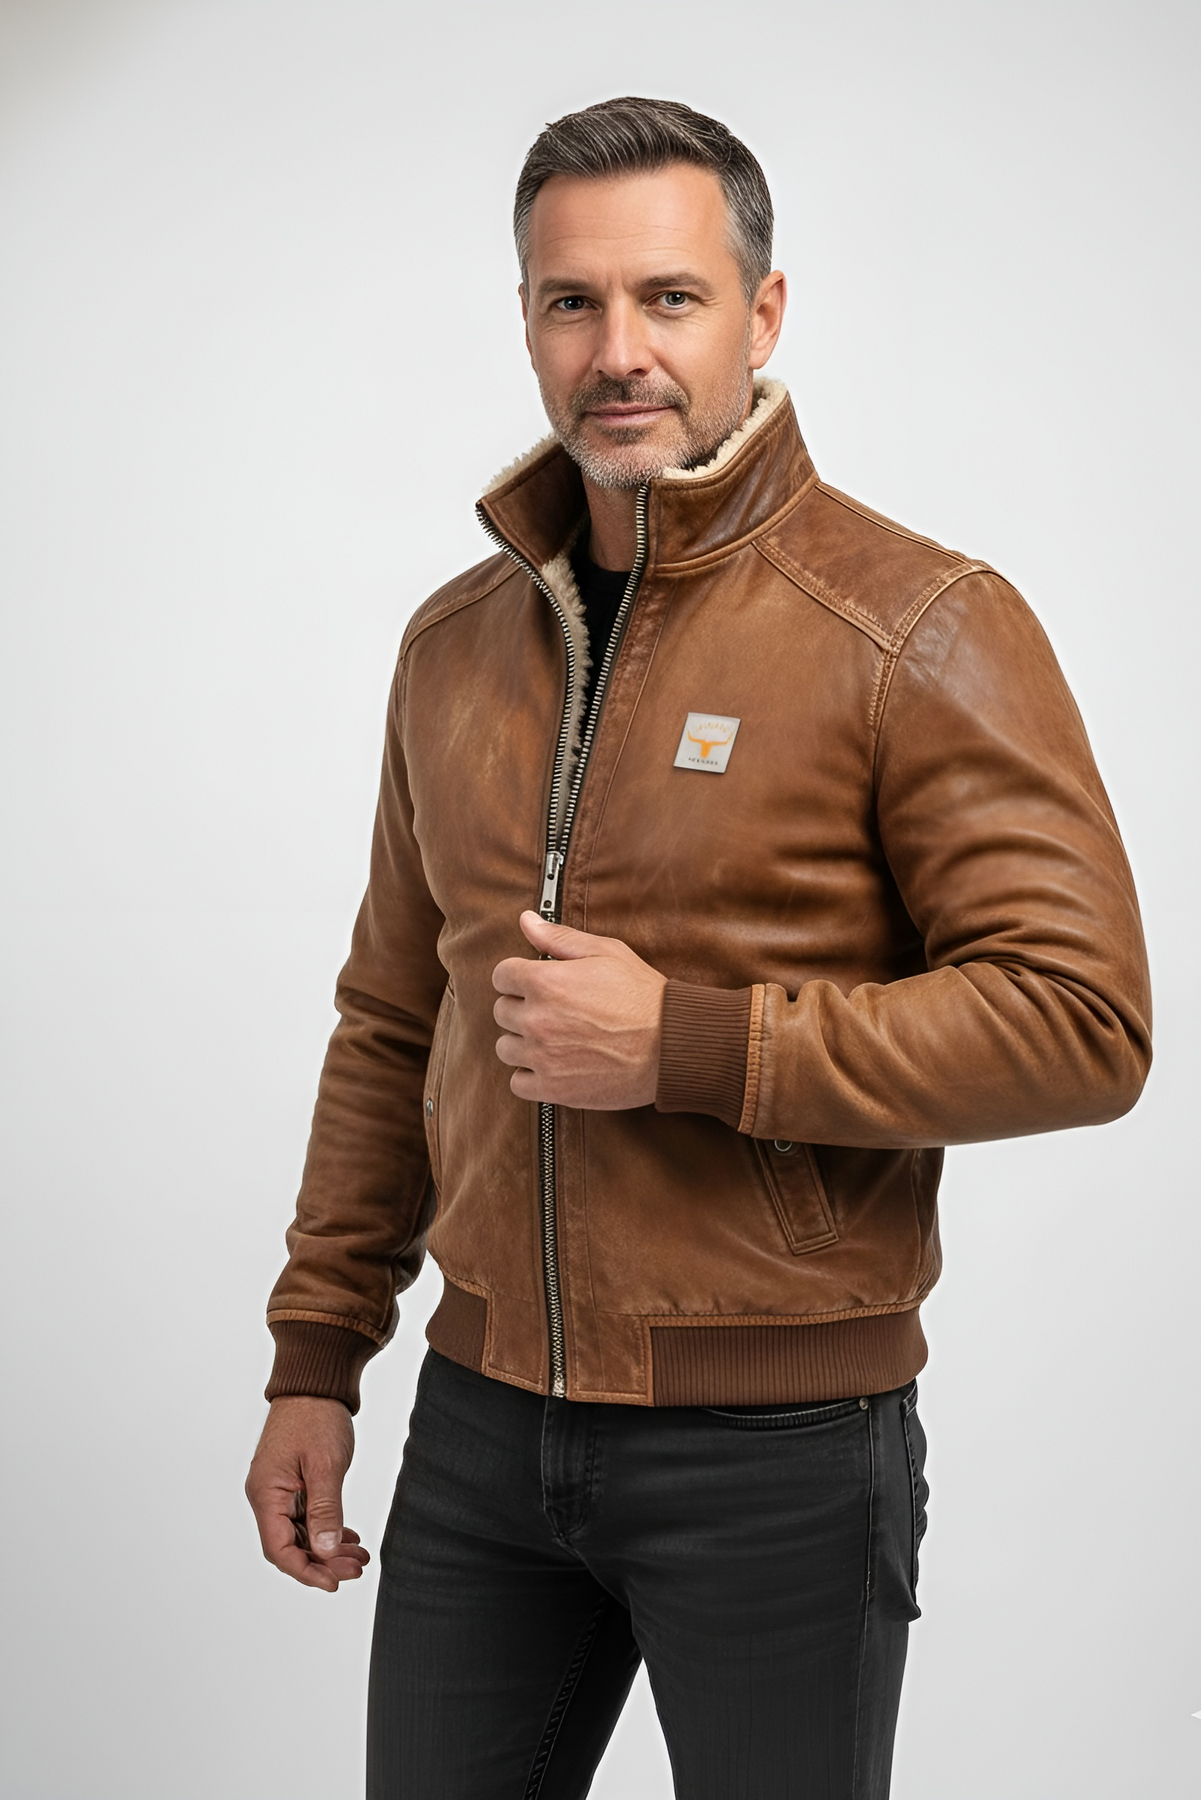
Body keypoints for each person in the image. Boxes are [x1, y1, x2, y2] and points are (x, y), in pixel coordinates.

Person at [244, 96, 1151, 1798]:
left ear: (763, 311)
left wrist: (691, 1044)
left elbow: (1082, 1020)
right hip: (481, 1424)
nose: (618, 352)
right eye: (570, 302)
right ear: (526, 321)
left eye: (670, 297)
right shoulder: (454, 646)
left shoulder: (916, 627)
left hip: (779, 1447)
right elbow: (392, 1018)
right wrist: (318, 1357)